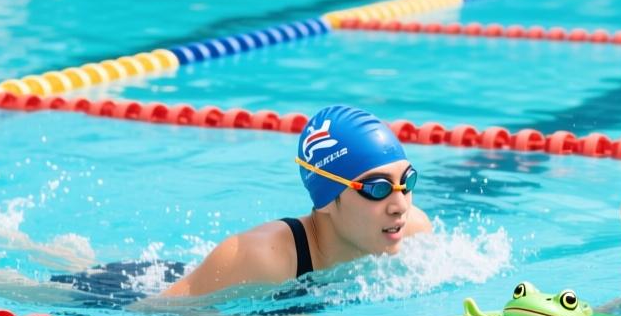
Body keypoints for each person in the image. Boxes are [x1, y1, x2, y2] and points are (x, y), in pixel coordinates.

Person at [163, 104, 432, 297]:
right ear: (326, 198)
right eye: (377, 189)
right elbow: (157, 313)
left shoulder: (414, 231)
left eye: (407, 182)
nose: (400, 206)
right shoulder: (260, 259)